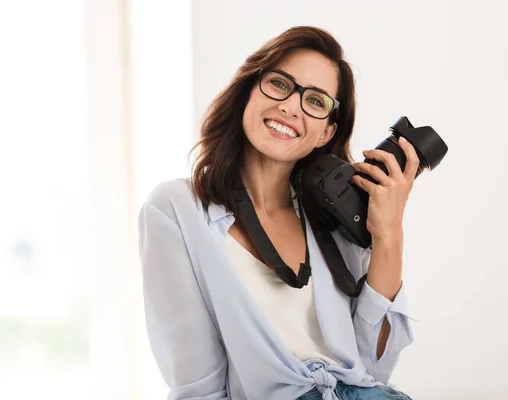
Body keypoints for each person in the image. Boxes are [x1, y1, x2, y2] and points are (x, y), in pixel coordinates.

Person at [138, 26, 419, 400]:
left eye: (316, 101)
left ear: (325, 132)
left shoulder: (332, 219)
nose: (290, 106)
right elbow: (197, 386)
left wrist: (389, 235)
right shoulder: (176, 210)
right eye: (280, 84)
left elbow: (371, 369)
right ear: (248, 91)